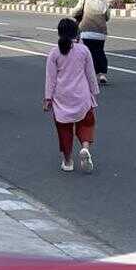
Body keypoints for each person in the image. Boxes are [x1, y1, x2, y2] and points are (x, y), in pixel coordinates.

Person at [44, 18, 98, 173]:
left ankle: (67, 162)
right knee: (86, 124)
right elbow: (90, 75)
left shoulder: (54, 53)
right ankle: (85, 148)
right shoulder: (84, 50)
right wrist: (94, 92)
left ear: (59, 33)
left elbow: (50, 78)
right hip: (82, 97)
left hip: (61, 98)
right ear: (76, 33)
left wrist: (48, 98)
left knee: (64, 130)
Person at [71, 0, 111, 84]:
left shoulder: (83, 1)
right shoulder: (103, 3)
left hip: (85, 32)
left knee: (87, 54)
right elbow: (107, 17)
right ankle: (102, 74)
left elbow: (74, 13)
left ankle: (88, 75)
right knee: (99, 52)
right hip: (100, 33)